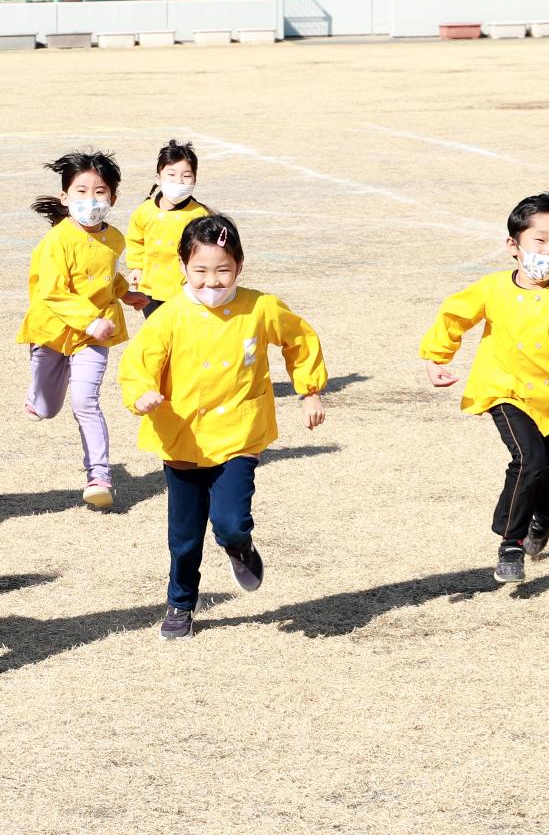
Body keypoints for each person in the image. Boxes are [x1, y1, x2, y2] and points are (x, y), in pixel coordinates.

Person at [120, 214, 327, 640]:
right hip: (182, 437)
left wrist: (309, 391)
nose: (212, 282)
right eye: (200, 271)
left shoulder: (260, 307)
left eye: (222, 271)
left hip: (239, 432)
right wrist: (141, 394)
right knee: (184, 536)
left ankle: (239, 546)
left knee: (230, 522)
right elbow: (139, 362)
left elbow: (299, 339)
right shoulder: (169, 315)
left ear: (239, 267)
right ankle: (180, 604)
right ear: (182, 267)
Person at [420, 191, 549, 584]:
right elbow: (455, 315)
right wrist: (436, 357)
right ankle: (511, 543)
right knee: (529, 460)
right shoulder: (493, 288)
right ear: (514, 245)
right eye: (540, 241)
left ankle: (544, 518)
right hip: (504, 389)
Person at [19, 151, 148, 509]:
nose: (90, 200)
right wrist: (88, 319)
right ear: (65, 197)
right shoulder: (56, 242)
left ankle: (99, 475)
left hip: (93, 337)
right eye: (81, 191)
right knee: (46, 408)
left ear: (113, 199)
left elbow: (107, 274)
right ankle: (37, 394)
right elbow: (52, 291)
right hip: (53, 331)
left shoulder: (114, 238)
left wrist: (126, 294)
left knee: (85, 402)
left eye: (100, 192)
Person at [124, 139, 215, 319]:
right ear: (158, 178)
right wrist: (136, 268)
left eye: (186, 176)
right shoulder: (144, 211)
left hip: (183, 287)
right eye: (171, 175)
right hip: (150, 286)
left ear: (195, 180)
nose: (179, 181)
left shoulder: (199, 214)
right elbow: (136, 240)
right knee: (157, 332)